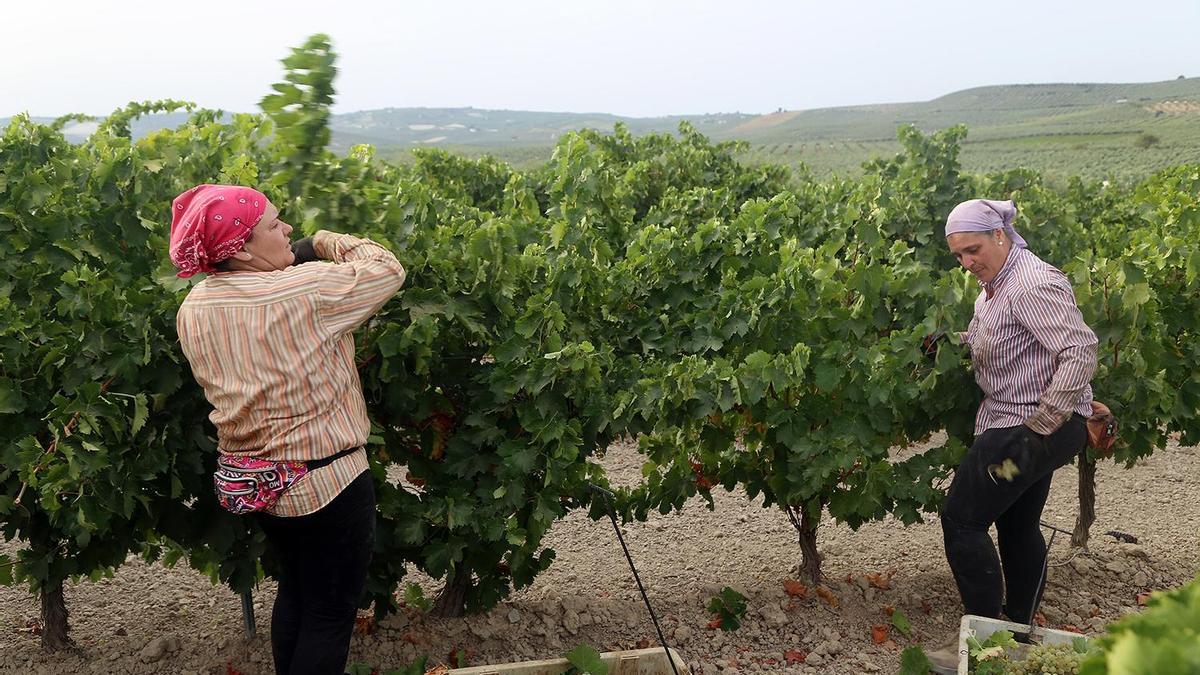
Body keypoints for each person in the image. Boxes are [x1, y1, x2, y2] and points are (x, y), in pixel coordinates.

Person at [169, 184, 406, 675]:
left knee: (297, 590)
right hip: (328, 482)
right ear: (241, 248)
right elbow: (386, 269)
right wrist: (321, 242)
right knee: (329, 613)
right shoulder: (305, 290)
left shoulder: (194, 306)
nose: (288, 230)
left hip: (255, 481)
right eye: (275, 225)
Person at [925, 199, 1097, 673]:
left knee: (963, 521)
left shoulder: (1030, 284)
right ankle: (1017, 630)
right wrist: (951, 340)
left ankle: (986, 640)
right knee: (1018, 525)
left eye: (973, 249)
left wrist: (1041, 426)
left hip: (1025, 434)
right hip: (1032, 430)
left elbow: (1080, 349)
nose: (967, 262)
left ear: (1000, 235)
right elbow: (1003, 338)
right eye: (958, 255)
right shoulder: (994, 289)